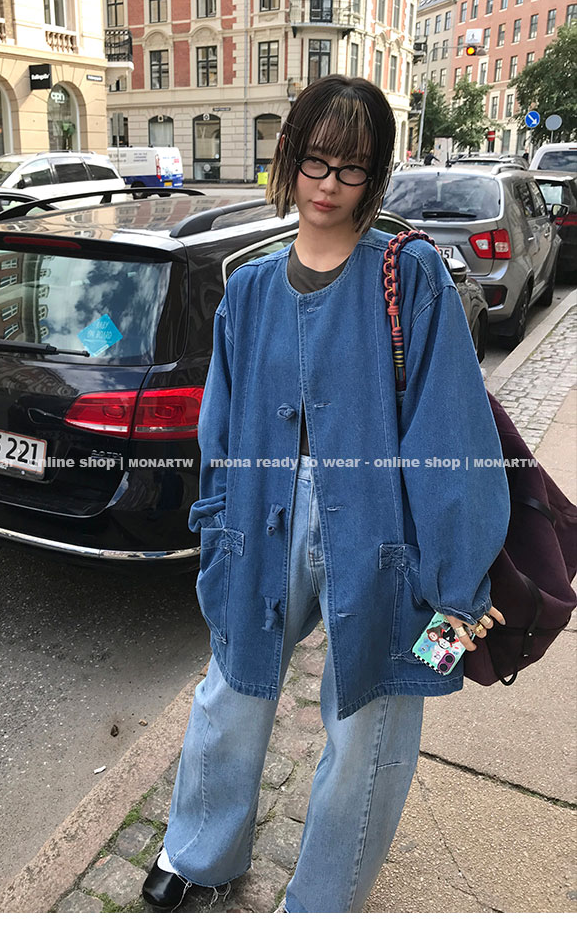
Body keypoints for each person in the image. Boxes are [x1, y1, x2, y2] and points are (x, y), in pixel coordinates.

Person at [141, 75, 510, 914]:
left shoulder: (409, 275)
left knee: (370, 720)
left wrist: (457, 581)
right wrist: (215, 526)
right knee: (231, 687)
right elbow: (220, 430)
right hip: (260, 515)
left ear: (375, 174)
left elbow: (450, 429)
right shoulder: (250, 288)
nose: (329, 185)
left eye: (351, 168)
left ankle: (321, 902)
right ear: (289, 156)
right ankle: (198, 850)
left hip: (382, 525)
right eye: (315, 161)